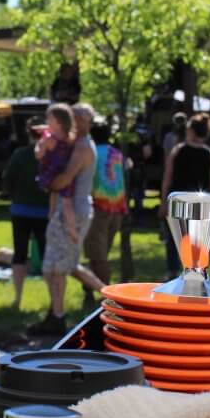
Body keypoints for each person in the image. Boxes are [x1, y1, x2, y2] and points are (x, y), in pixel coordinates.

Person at [28, 103, 105, 336]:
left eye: (77, 116)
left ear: (85, 121)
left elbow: (64, 180)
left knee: (60, 267)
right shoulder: (74, 143)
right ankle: (59, 312)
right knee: (60, 265)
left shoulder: (82, 148)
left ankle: (58, 317)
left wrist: (45, 181)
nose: (73, 120)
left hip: (75, 210)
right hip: (66, 208)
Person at [158, 113, 210, 277]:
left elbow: (167, 177)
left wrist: (163, 202)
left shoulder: (178, 150)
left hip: (178, 202)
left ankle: (172, 271)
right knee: (197, 241)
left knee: (174, 239)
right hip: (201, 205)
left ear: (191, 131)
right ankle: (196, 272)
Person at [2, 117, 50, 308]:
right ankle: (53, 299)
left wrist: (16, 196)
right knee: (47, 256)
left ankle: (18, 298)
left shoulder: (19, 154)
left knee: (19, 254)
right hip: (45, 213)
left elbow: (7, 180)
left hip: (21, 211)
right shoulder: (52, 155)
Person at [85, 119, 127, 292]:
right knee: (101, 252)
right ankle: (88, 288)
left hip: (98, 206)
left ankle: (105, 294)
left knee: (97, 255)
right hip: (117, 207)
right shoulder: (117, 153)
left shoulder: (91, 153)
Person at [35, 103, 77, 244]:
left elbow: (38, 155)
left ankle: (51, 216)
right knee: (67, 203)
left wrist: (39, 144)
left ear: (58, 122)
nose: (47, 121)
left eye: (49, 119)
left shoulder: (48, 140)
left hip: (50, 175)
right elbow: (58, 131)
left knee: (53, 195)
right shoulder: (70, 137)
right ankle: (72, 228)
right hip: (65, 174)